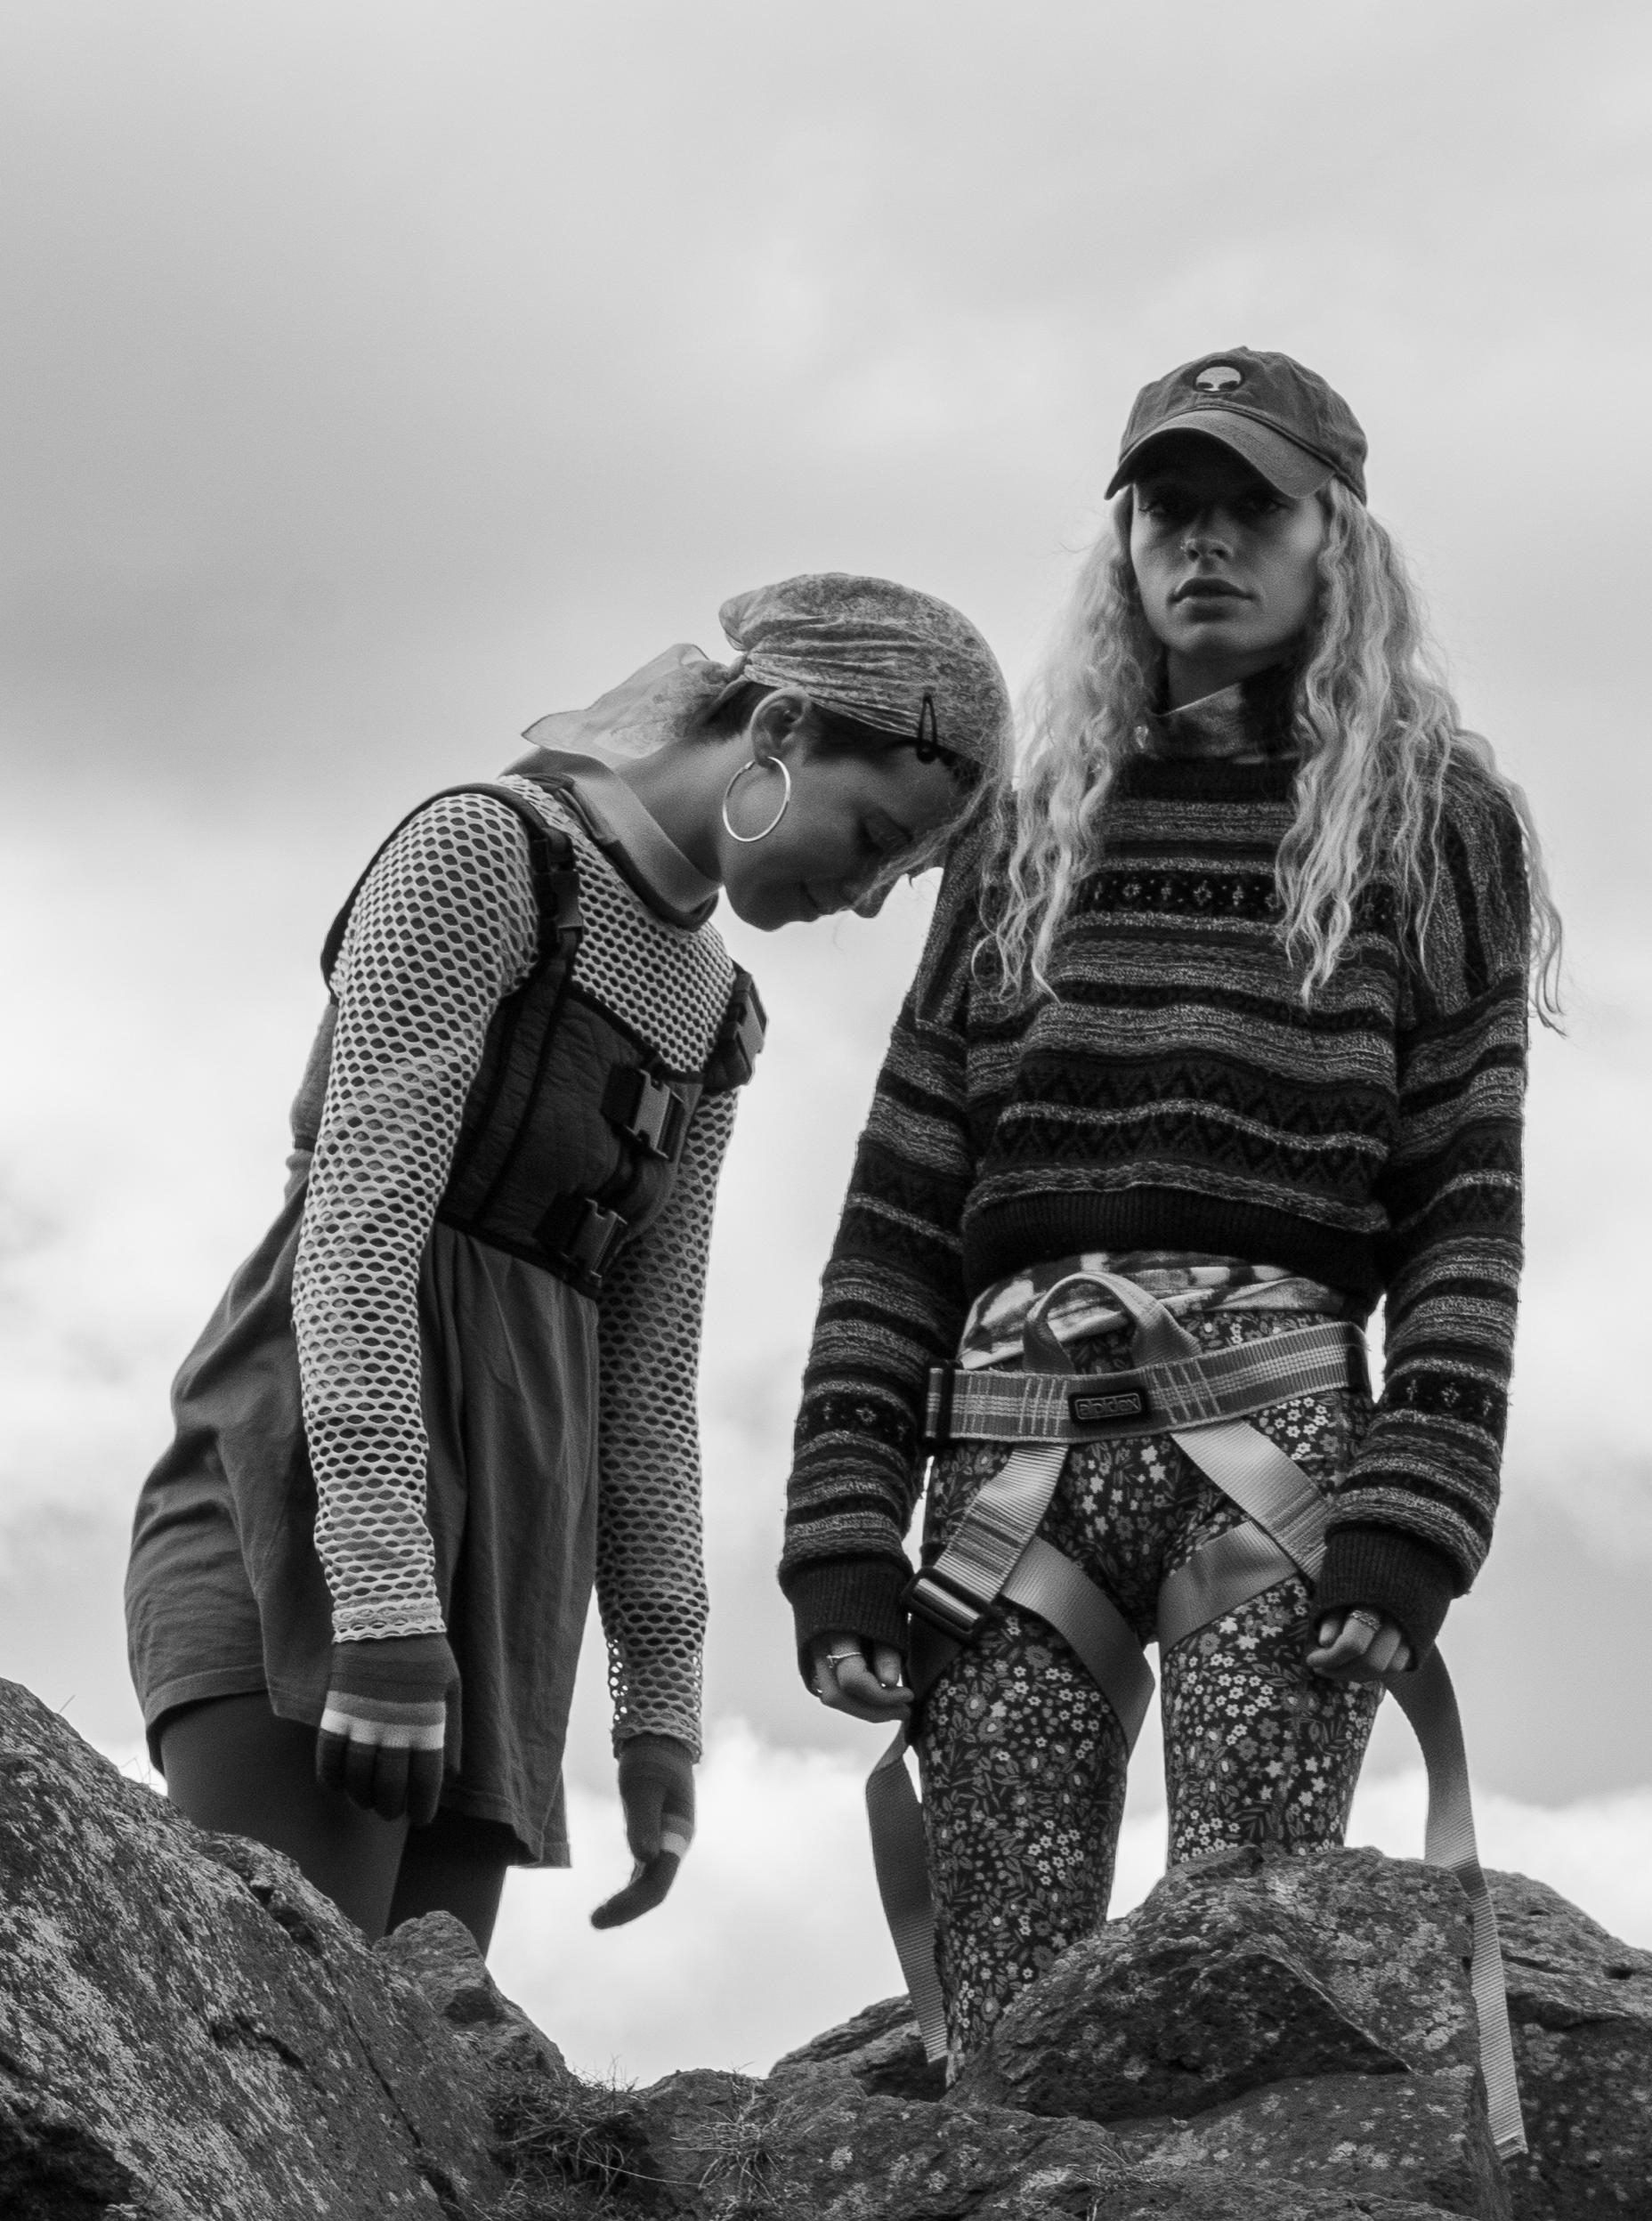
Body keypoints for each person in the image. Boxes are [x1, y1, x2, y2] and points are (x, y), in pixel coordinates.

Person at [782, 351, 1562, 2078]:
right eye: (1166, 508)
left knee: (1247, 1968)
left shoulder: (1436, 827)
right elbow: (900, 1197)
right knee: (997, 2001)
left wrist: (1417, 1511)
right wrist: (839, 1520)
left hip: (1276, 1454)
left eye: (1250, 509)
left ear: (1334, 537)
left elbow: (1464, 1198)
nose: (1202, 543)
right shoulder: (1019, 829)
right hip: (1002, 1463)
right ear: (1122, 539)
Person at [127, 573, 1011, 1953]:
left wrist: (659, 1708)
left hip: (507, 1574)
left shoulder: (716, 1011)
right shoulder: (481, 852)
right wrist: (381, 1593)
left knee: (419, 2048)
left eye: (904, 877)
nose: (867, 897)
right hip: (309, 1520)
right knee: (277, 2015)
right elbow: (358, 1234)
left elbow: (648, 1370)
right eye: (874, 838)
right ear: (779, 727)